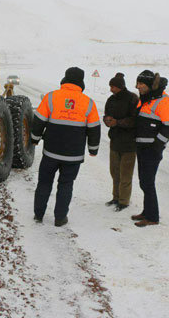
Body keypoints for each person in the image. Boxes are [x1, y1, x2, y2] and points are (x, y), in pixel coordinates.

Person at [31, 67, 101, 227]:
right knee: (66, 184)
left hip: (51, 152)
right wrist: (93, 149)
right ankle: (60, 218)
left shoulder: (51, 97)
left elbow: (39, 121)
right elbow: (94, 128)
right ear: (81, 82)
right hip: (73, 155)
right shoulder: (88, 102)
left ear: (65, 79)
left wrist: (34, 139)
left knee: (44, 182)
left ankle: (38, 215)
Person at [132, 70, 169, 227]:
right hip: (141, 147)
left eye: (141, 84)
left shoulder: (165, 101)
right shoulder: (145, 99)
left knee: (148, 182)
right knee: (143, 181)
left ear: (150, 85)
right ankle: (146, 212)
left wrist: (156, 147)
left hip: (151, 149)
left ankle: (153, 217)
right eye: (138, 84)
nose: (138, 87)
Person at [103, 73, 138, 212]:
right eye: (110, 86)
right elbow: (106, 115)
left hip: (129, 143)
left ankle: (124, 201)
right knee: (114, 172)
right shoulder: (111, 99)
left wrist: (117, 122)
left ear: (120, 86)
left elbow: (135, 120)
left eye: (113, 86)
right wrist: (107, 121)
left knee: (125, 174)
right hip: (115, 140)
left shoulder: (132, 99)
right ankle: (116, 197)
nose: (111, 89)